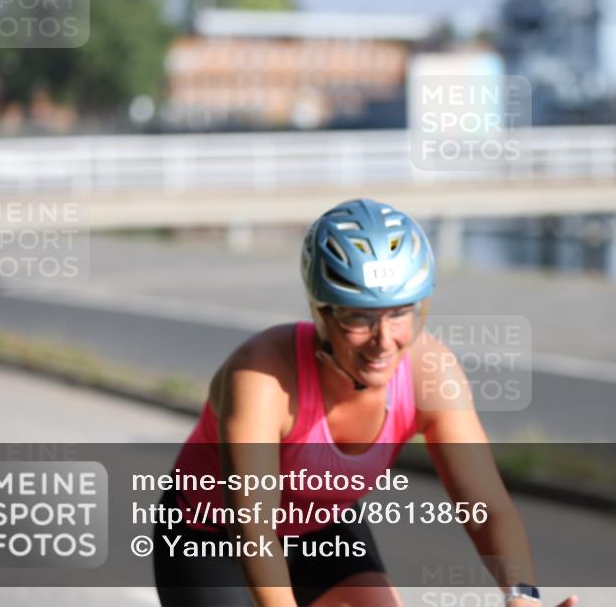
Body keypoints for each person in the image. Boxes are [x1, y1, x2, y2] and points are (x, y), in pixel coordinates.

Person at [153, 198, 578, 607]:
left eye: (399, 313)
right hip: (210, 536)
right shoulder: (262, 377)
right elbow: (255, 529)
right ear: (323, 312)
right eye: (359, 316)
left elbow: (487, 506)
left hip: (321, 530)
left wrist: (522, 595)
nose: (383, 341)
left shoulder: (431, 373)